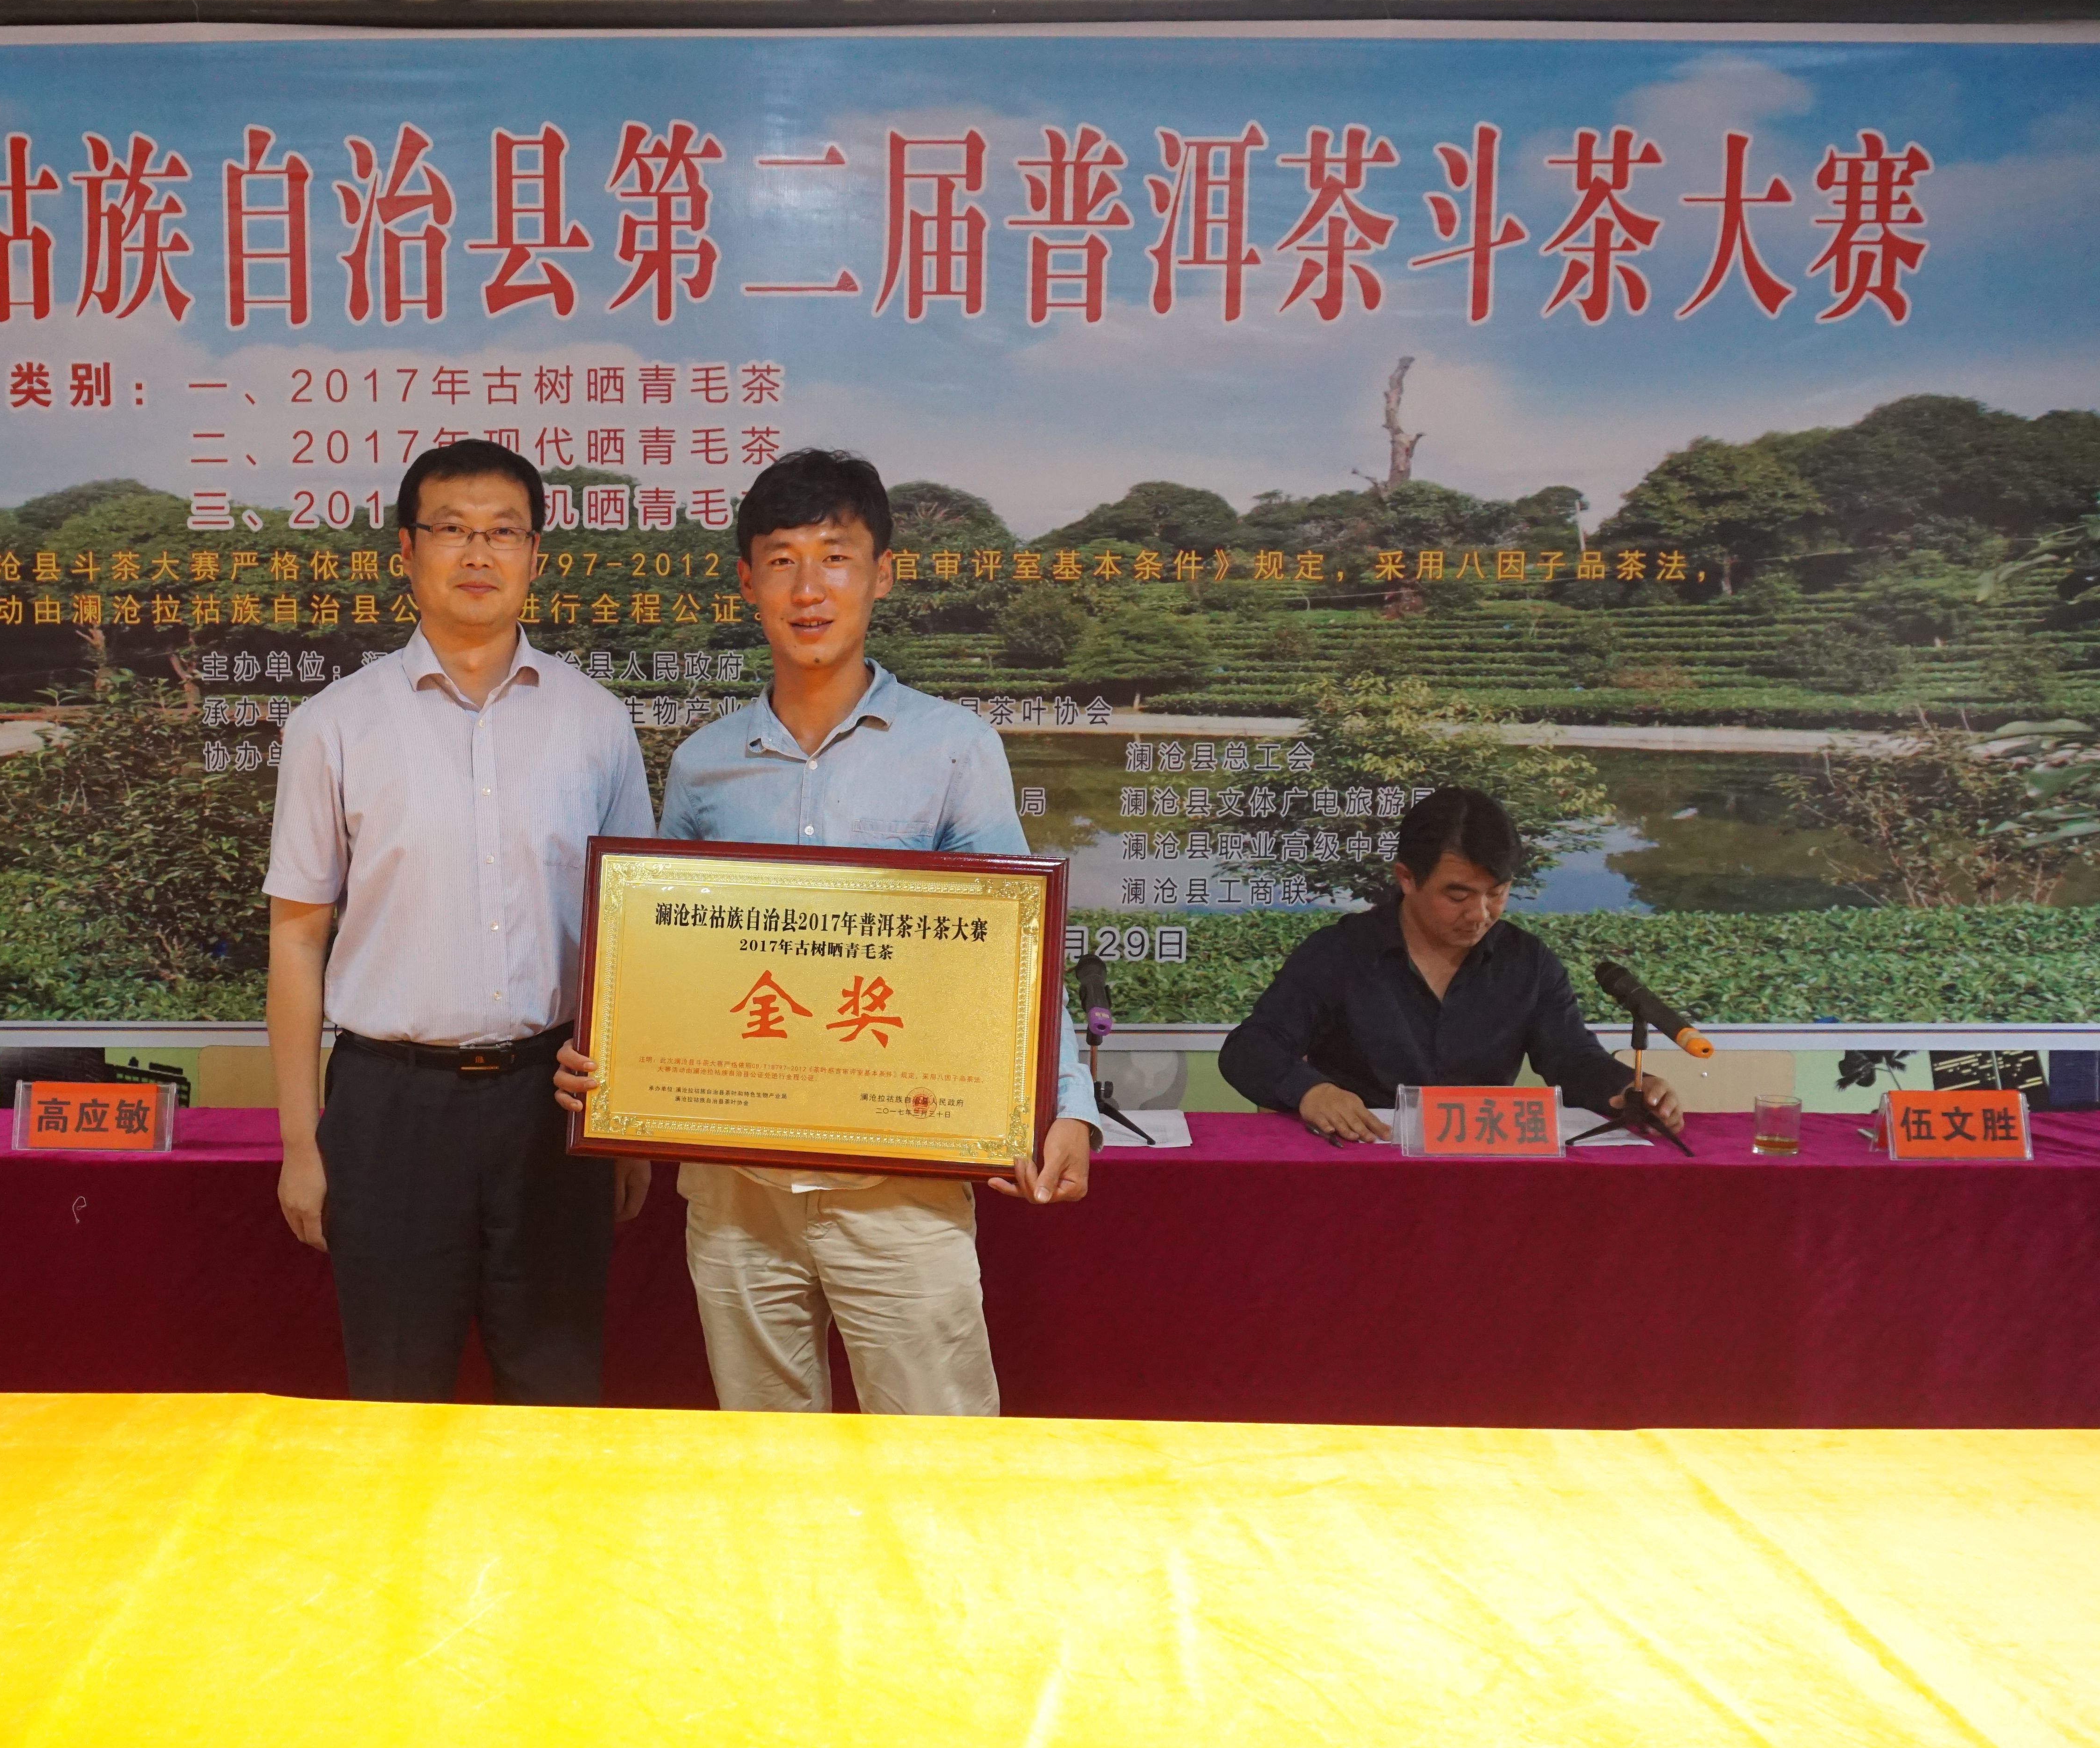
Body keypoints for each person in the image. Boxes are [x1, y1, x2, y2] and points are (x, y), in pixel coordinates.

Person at [555, 448, 1102, 1418]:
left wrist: (1068, 1102)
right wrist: (612, 1061)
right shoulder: (705, 765)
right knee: (768, 1461)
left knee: (938, 1454)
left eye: (836, 557)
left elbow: (1018, 947)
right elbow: (664, 960)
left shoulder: (953, 749)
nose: (809, 589)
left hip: (901, 1183)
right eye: (782, 561)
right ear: (747, 582)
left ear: (882, 573)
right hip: (737, 1187)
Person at [263, 438, 654, 1404]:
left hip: (554, 1105)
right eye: (452, 530)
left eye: (503, 533)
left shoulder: (596, 722)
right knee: (395, 1401)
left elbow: (633, 935)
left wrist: (629, 1127)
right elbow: (298, 937)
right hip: (391, 1111)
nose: (478, 553)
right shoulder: (333, 725)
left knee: (557, 1399)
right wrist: (301, 1144)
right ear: (407, 552)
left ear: (536, 556)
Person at [1218, 785, 1683, 1142]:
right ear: (1407, 878)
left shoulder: (1527, 962)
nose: (1480, 914)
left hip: (1483, 1165)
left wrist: (1629, 1089)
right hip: (1364, 1158)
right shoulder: (1340, 953)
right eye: (1458, 896)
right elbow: (1250, 1048)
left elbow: (1573, 1058)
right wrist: (1311, 1091)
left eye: (1497, 894)